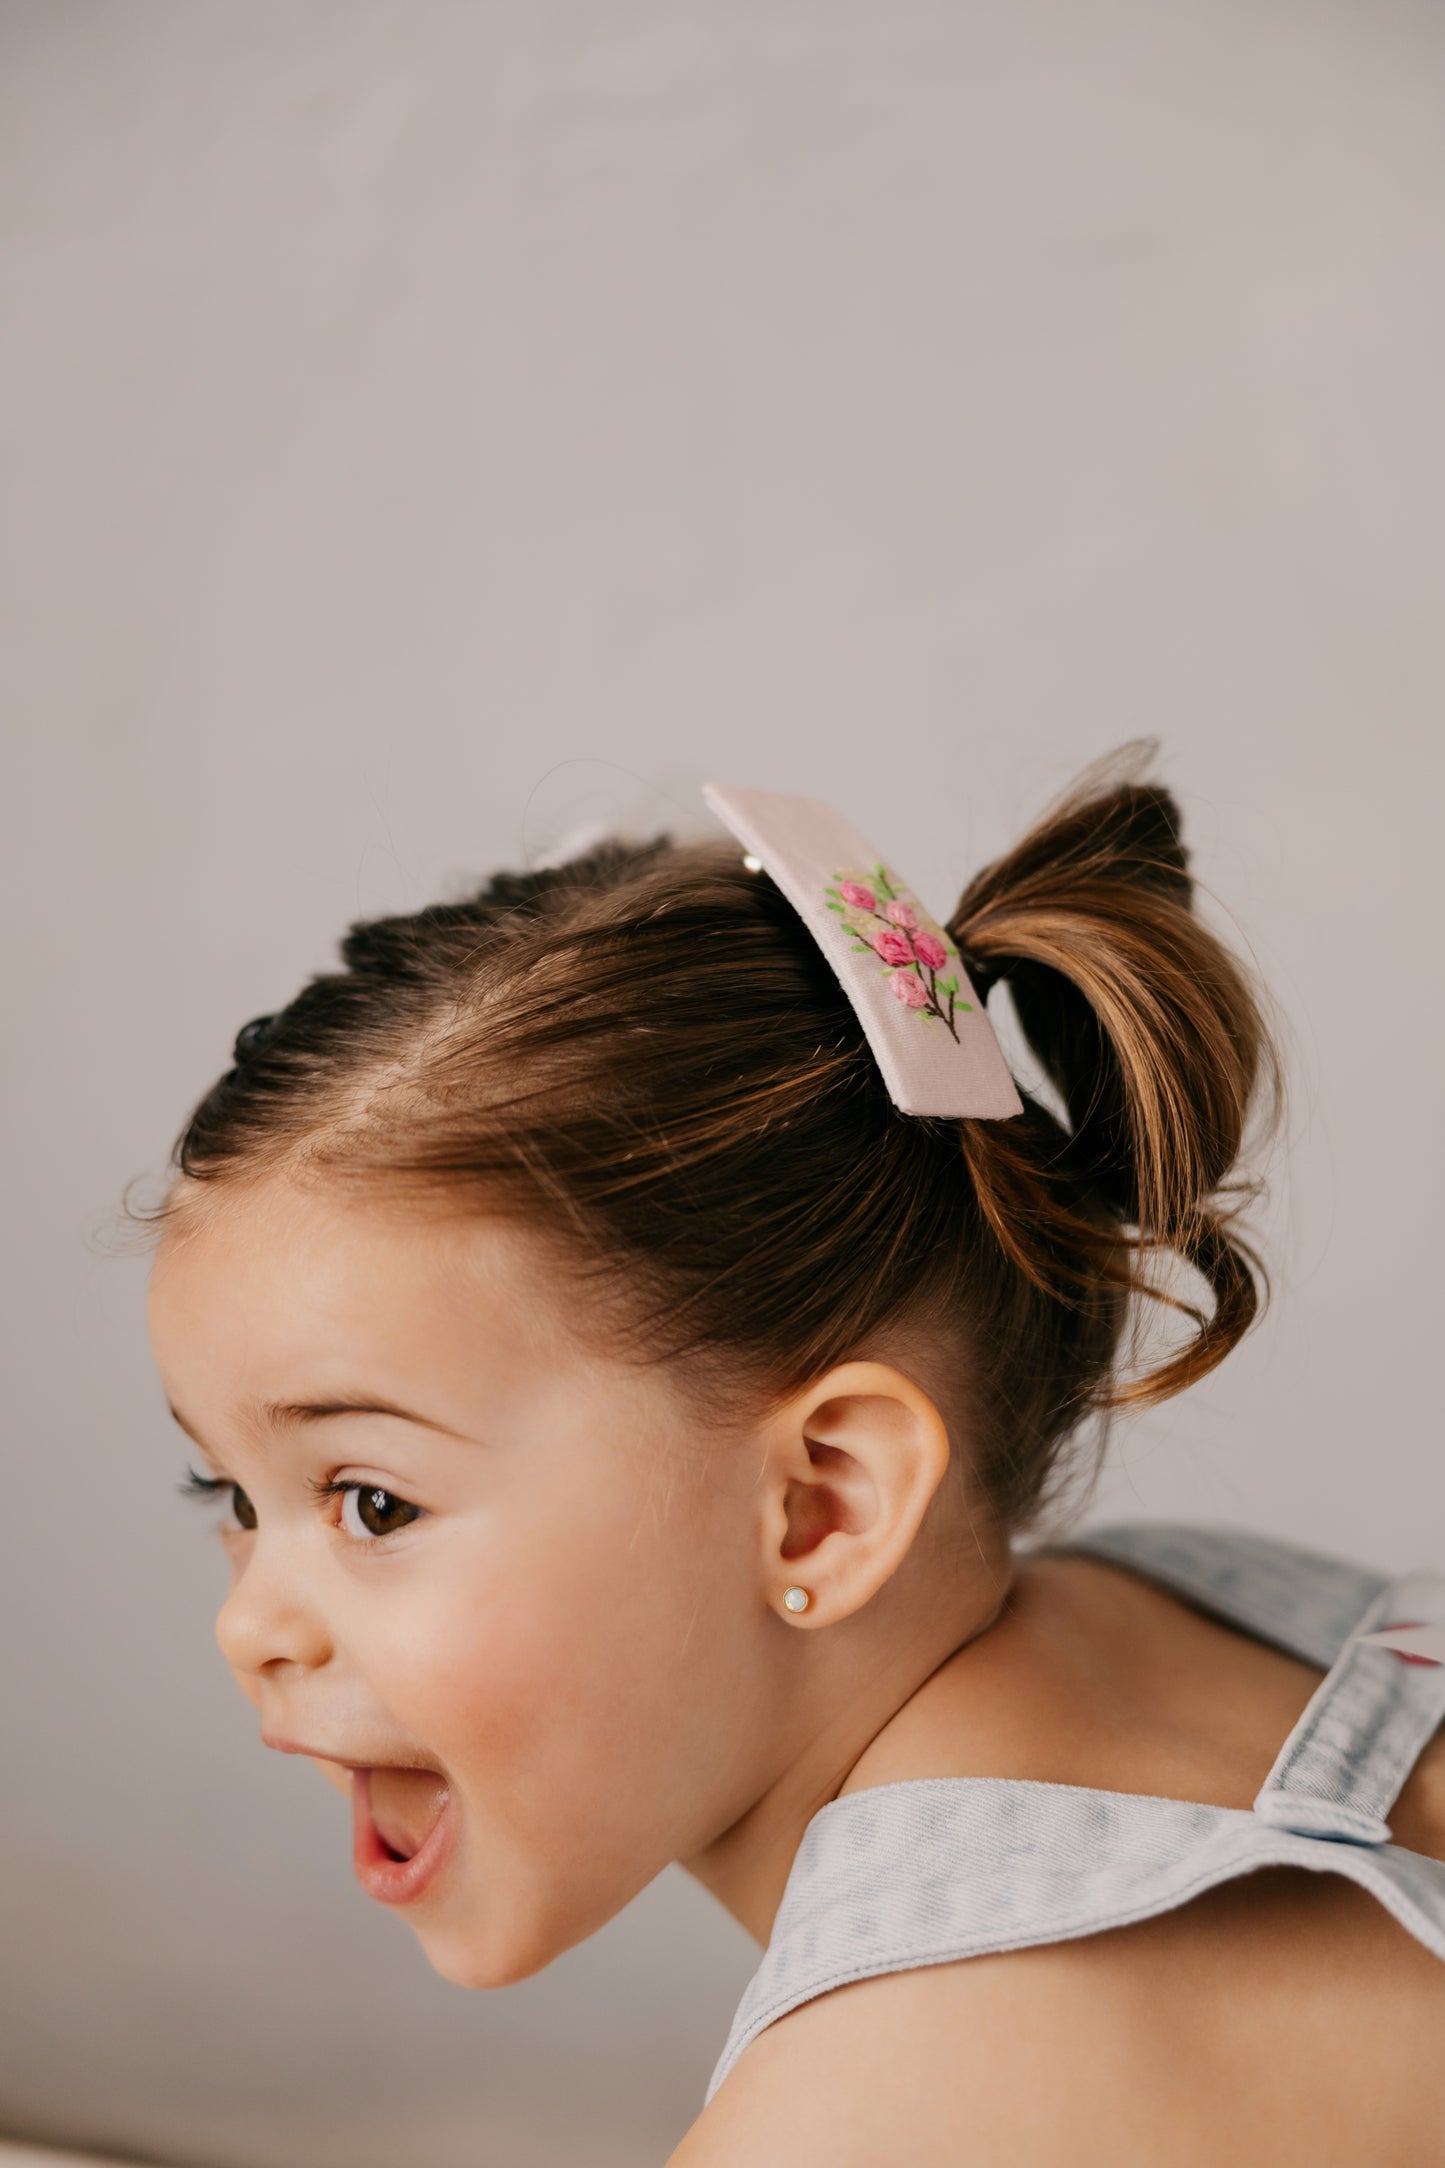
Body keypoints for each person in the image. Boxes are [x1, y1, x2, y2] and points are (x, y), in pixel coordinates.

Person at [141, 748, 1445, 2164]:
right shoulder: (1184, 1612)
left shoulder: (892, 2111)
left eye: (370, 1501)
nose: (247, 1627)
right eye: (229, 1494)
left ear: (820, 1505)